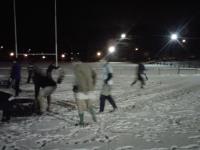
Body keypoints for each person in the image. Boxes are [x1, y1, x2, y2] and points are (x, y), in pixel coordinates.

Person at [73, 60, 97, 126]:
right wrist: (93, 85)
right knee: (89, 106)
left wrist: (76, 87)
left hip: (81, 91)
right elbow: (95, 75)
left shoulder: (77, 68)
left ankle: (81, 122)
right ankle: (94, 117)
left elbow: (78, 80)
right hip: (91, 90)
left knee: (80, 107)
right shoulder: (89, 66)